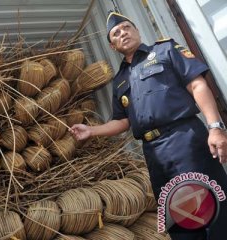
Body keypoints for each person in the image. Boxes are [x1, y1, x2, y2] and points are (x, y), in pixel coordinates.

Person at [70, 11, 227, 240]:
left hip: (184, 140)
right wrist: (92, 131)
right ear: (113, 46)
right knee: (180, 219)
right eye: (116, 33)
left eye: (126, 27)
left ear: (136, 30)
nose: (123, 33)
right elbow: (122, 121)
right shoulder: (120, 81)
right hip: (154, 154)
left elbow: (197, 86)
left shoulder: (165, 50)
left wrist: (215, 127)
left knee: (210, 209)